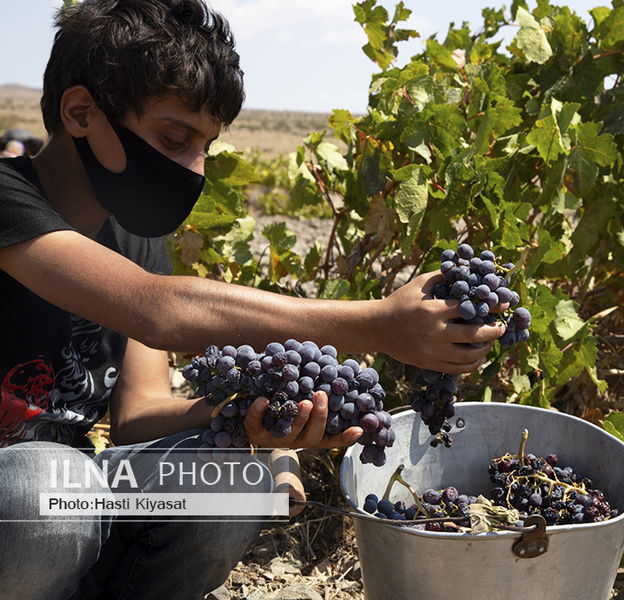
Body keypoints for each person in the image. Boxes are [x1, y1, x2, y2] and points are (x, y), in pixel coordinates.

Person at [0, 1, 507, 598]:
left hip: (70, 500)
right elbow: (159, 311)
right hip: (33, 503)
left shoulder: (137, 242)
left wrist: (247, 417)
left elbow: (137, 418)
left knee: (234, 478)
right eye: (174, 138)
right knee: (41, 491)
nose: (194, 168)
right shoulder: (6, 199)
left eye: (206, 147)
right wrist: (378, 324)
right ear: (81, 112)